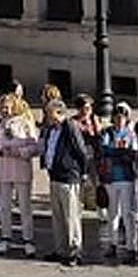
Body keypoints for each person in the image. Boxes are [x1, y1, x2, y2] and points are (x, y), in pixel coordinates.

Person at [0, 93, 40, 257]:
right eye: (2, 107)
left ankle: (28, 239)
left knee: (24, 206)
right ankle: (5, 237)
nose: (4, 110)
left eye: (7, 106)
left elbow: (35, 146)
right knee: (4, 206)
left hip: (21, 169)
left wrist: (20, 151)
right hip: (4, 169)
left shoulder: (25, 123)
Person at [40, 99, 88, 266]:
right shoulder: (50, 129)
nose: (48, 117)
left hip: (68, 177)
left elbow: (81, 151)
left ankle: (75, 250)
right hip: (54, 176)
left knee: (71, 216)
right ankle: (61, 249)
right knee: (58, 216)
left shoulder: (70, 127)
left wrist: (82, 173)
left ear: (59, 113)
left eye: (50, 114)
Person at [99, 102, 138, 264]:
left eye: (122, 117)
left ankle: (131, 246)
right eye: (116, 117)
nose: (119, 120)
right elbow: (104, 150)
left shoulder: (130, 134)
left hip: (127, 177)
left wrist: (118, 153)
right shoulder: (107, 132)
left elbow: (133, 153)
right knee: (112, 213)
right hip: (111, 178)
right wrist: (121, 153)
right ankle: (113, 243)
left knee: (128, 214)